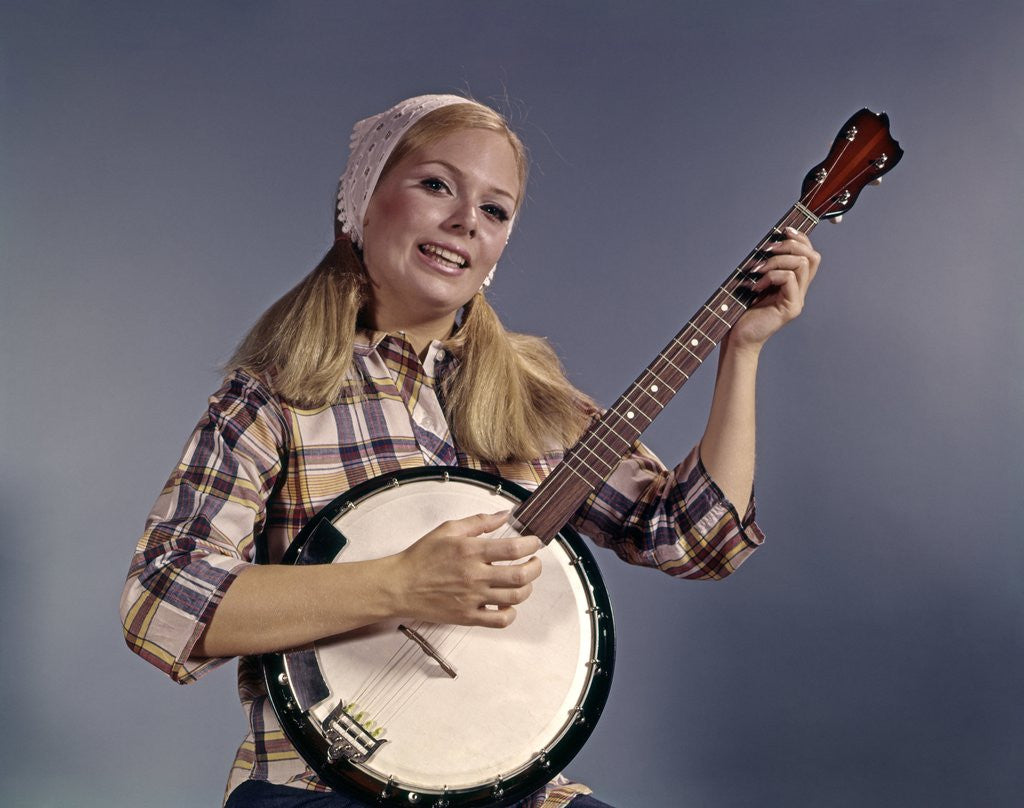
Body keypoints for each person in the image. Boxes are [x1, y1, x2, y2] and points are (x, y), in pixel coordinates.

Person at [120, 93, 820, 808]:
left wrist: (744, 350)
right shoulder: (275, 400)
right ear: (363, 200)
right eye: (436, 185)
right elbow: (161, 601)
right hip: (318, 787)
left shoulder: (531, 400)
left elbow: (694, 539)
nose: (464, 223)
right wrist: (401, 582)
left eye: (495, 210)